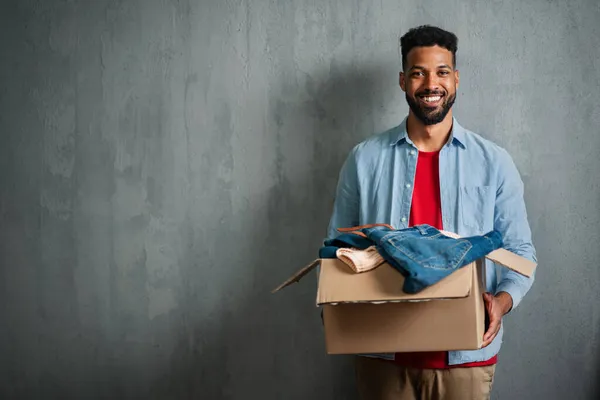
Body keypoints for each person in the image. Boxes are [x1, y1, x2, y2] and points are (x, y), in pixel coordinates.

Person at [325, 25, 537, 400]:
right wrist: (336, 310)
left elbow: (521, 253)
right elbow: (336, 249)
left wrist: (500, 303)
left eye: (442, 72)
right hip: (383, 355)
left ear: (455, 79)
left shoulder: (494, 163)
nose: (431, 83)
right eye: (419, 72)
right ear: (403, 80)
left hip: (466, 358)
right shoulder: (364, 159)